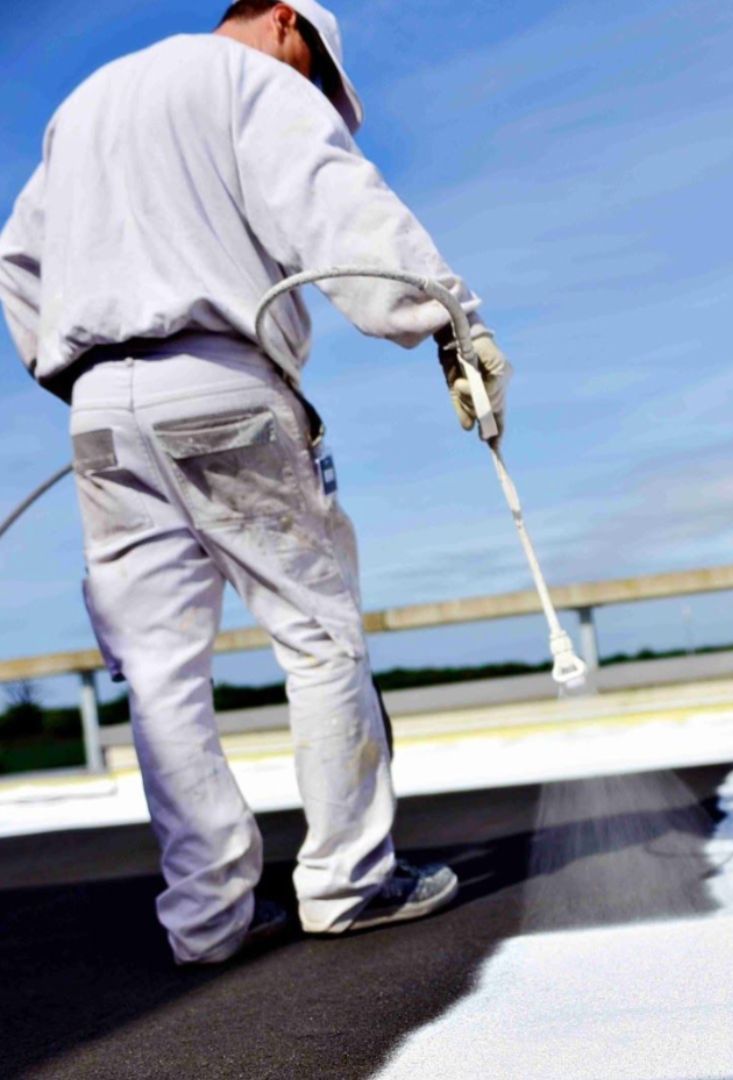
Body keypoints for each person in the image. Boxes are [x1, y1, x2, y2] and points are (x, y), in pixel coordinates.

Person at [0, 0, 512, 965]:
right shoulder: (251, 81)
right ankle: (349, 882)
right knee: (317, 634)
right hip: (221, 384)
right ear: (286, 22)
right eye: (318, 68)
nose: (314, 89)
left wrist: (80, 375)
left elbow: (17, 259)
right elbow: (338, 207)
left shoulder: (84, 103)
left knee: (156, 673)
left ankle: (206, 917)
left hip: (99, 411)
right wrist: (449, 319)